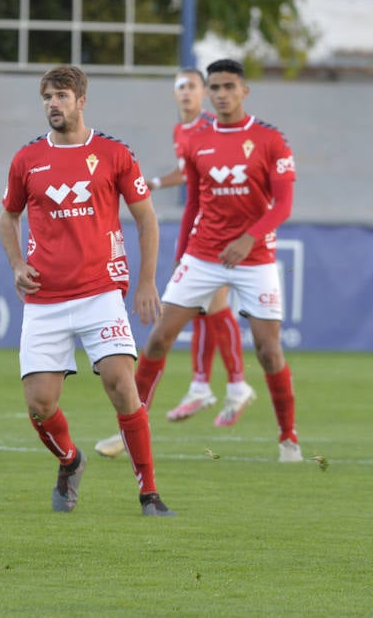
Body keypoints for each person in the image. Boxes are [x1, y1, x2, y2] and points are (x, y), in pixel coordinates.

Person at [0, 65, 175, 517]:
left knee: (120, 383)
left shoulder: (114, 154)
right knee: (40, 404)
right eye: (46, 97)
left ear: (81, 101)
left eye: (60, 96)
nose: (52, 104)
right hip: (44, 299)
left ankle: (149, 494)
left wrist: (148, 281)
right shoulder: (27, 160)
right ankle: (70, 459)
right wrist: (18, 264)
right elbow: (8, 216)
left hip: (100, 293)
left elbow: (146, 218)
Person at [129, 58, 302, 463]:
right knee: (158, 338)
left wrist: (249, 238)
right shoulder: (195, 139)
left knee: (268, 350)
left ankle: (288, 438)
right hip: (203, 255)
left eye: (229, 86)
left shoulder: (270, 139)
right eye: (216, 87)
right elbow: (192, 202)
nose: (222, 94)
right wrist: (182, 254)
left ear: (244, 91)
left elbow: (284, 204)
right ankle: (130, 428)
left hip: (255, 258)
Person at [94, 68, 254, 458]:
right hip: (199, 230)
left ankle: (223, 385)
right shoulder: (182, 132)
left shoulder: (209, 130)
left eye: (193, 87)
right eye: (180, 87)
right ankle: (212, 387)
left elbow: (192, 174)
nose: (186, 93)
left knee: (204, 310)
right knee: (205, 310)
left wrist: (156, 183)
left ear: (204, 93)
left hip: (223, 230)